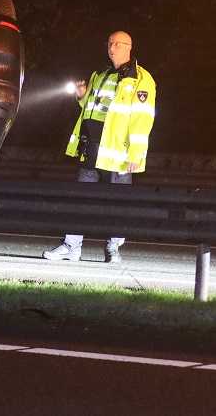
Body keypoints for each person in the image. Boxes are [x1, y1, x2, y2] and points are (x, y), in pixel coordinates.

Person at [43, 30, 156, 263]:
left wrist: (136, 153)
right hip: (92, 147)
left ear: (129, 47)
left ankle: (113, 248)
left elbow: (142, 119)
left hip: (119, 154)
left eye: (117, 44)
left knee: (117, 203)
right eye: (109, 44)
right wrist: (82, 96)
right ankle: (72, 247)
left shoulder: (141, 79)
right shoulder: (100, 74)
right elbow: (92, 107)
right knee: (80, 199)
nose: (112, 48)